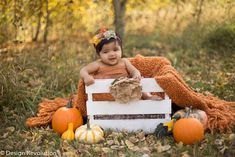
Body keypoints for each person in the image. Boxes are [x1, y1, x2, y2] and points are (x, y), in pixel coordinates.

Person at [80, 27, 161, 100]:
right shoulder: (98, 64)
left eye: (115, 50)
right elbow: (83, 70)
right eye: (105, 52)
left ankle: (147, 96)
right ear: (99, 54)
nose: (112, 54)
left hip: (127, 92)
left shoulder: (124, 62)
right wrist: (86, 76)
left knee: (139, 82)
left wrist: (136, 75)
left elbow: (134, 71)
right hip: (107, 96)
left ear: (121, 49)